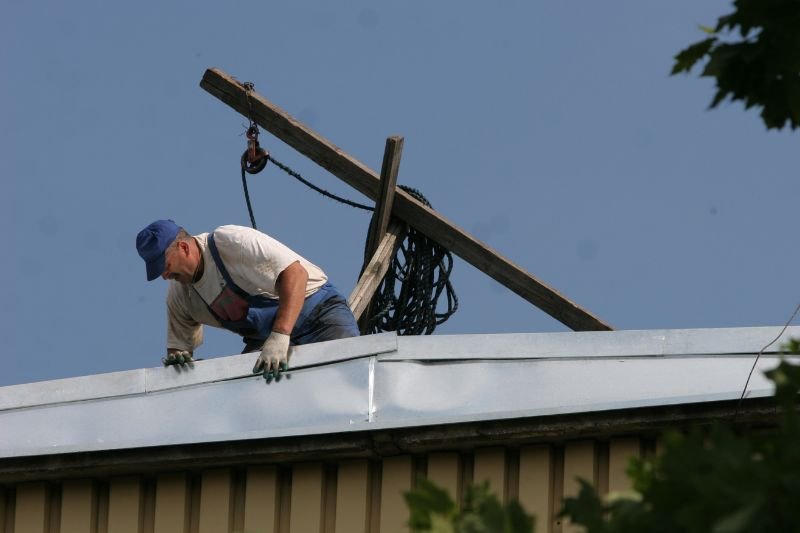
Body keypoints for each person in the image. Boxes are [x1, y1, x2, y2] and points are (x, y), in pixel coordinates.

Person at [135, 219, 359, 379]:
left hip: (319, 314)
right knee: (249, 397)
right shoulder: (180, 294)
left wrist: (281, 335)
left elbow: (295, 274)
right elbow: (179, 350)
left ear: (184, 247)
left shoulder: (230, 242)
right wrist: (178, 365)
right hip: (265, 341)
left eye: (166, 267)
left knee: (350, 373)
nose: (165, 276)